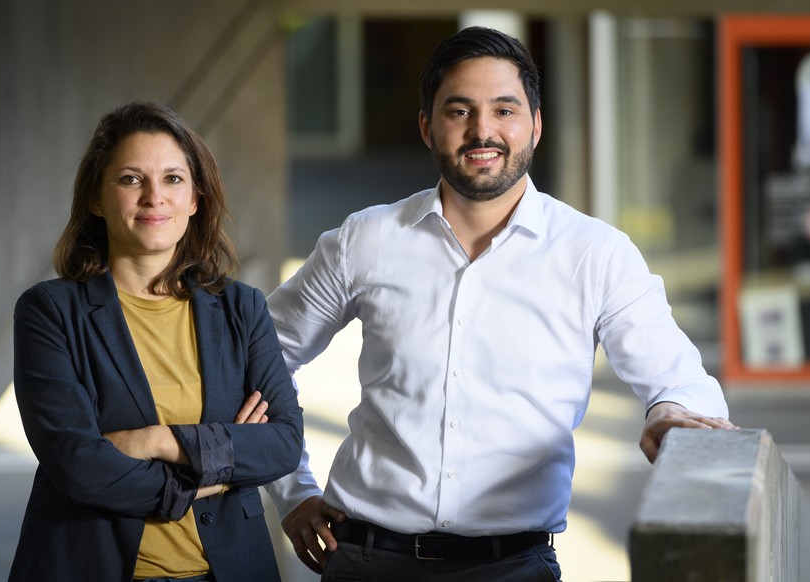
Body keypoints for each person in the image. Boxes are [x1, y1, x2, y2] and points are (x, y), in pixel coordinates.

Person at [264, 26, 736, 582]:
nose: (482, 130)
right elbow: (262, 359)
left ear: (536, 125)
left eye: (504, 110)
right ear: (426, 126)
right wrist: (290, 489)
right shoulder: (364, 240)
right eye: (458, 110)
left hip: (515, 567)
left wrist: (670, 412)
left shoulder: (595, 254)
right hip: (365, 560)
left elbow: (681, 384)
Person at [9, 101, 303, 582]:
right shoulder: (50, 312)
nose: (154, 197)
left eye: (172, 179)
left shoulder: (242, 308)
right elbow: (79, 467)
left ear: (195, 199)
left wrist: (156, 441)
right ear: (97, 199)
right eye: (130, 179)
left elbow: (282, 443)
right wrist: (217, 468)